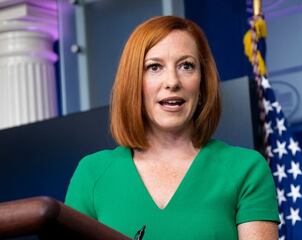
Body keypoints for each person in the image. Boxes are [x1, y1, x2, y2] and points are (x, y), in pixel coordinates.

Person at [65, 15, 279, 240]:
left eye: (186, 66)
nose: (172, 82)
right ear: (133, 81)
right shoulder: (91, 174)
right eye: (154, 67)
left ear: (202, 83)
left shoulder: (246, 169)